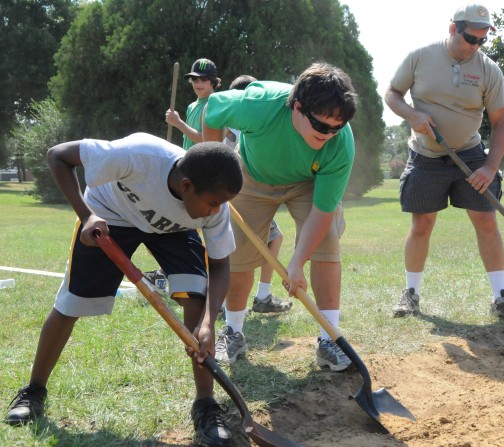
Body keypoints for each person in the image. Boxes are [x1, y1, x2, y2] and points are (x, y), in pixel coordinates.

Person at [4, 133, 243, 447]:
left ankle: (206, 406)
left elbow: (221, 266)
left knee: (197, 303)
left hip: (174, 228)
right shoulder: (135, 156)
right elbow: (57, 155)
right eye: (212, 204)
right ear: (186, 185)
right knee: (71, 305)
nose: (216, 211)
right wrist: (86, 215)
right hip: (109, 214)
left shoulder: (212, 205)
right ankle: (33, 391)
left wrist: (208, 324)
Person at [203, 62, 358, 371]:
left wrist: (297, 262)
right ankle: (233, 332)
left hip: (307, 182)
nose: (329, 134)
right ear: (297, 108)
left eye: (336, 127)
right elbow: (213, 109)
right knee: (240, 254)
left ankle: (329, 339)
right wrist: (211, 167)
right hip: (252, 176)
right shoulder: (258, 105)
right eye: (322, 126)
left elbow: (323, 211)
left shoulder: (341, 143)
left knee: (326, 244)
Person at [384, 4, 504, 322]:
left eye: (482, 40)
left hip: (470, 154)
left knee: (487, 222)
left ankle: (500, 297)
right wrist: (412, 115)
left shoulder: (489, 70)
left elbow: (501, 122)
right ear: (453, 29)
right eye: (470, 38)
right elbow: (392, 93)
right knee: (422, 224)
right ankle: (410, 294)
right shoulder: (420, 57)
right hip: (426, 156)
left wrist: (490, 167)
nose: (475, 46)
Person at [221, 74, 291, 315]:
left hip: (240, 193)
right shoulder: (247, 123)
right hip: (246, 195)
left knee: (264, 240)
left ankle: (259, 295)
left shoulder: (233, 123)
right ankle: (258, 297)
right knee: (238, 249)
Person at [166, 58, 221, 149]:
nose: (198, 84)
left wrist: (178, 123)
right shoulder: (191, 107)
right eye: (195, 79)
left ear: (212, 82)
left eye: (203, 79)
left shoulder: (214, 104)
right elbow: (189, 139)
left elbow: (207, 142)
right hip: (189, 159)